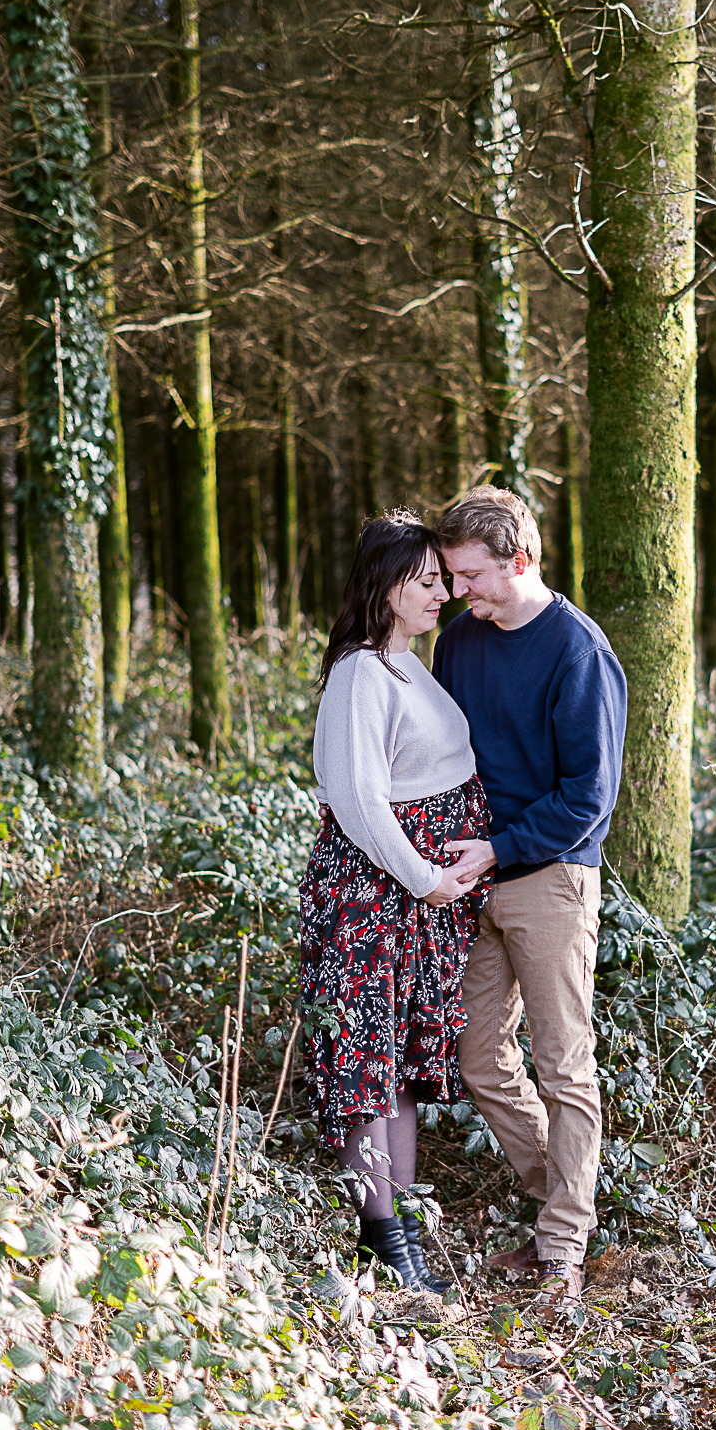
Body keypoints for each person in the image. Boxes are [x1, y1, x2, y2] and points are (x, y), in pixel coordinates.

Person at [434, 487, 627, 1309]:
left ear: (520, 560)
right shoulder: (458, 642)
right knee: (479, 1056)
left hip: (549, 880)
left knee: (563, 1064)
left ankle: (561, 1248)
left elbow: (590, 795)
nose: (458, 591)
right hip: (472, 879)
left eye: (472, 575)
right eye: (449, 576)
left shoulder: (578, 650)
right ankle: (566, 1199)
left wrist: (500, 849)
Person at [299, 510, 492, 1290]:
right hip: (372, 899)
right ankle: (381, 1236)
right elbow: (357, 798)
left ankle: (403, 1225)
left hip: (415, 903)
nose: (440, 592)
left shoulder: (410, 663)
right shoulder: (359, 674)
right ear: (384, 589)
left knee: (401, 1068)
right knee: (369, 1068)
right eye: (424, 582)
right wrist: (425, 878)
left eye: (442, 580)